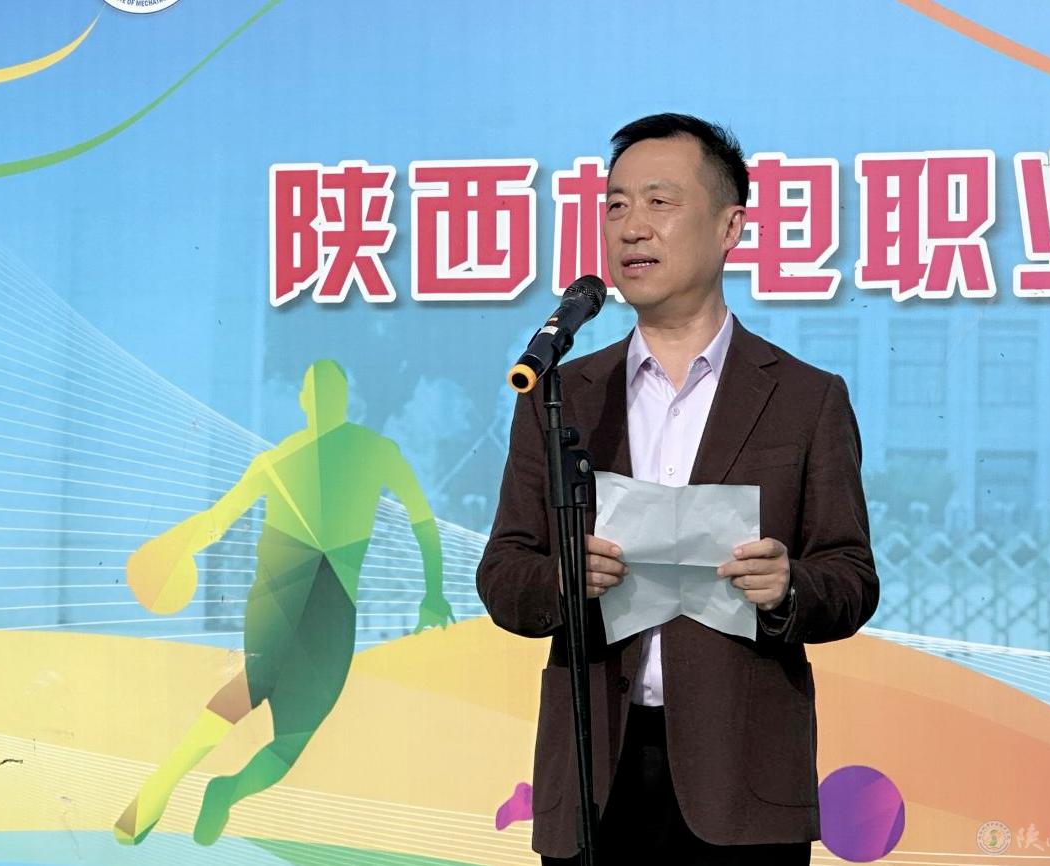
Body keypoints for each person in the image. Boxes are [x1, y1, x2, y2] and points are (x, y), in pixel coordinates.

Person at [476, 113, 879, 864]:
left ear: (730, 227)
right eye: (616, 205)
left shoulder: (805, 398)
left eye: (660, 202)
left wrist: (788, 586)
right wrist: (565, 578)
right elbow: (503, 573)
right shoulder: (562, 394)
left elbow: (852, 577)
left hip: (742, 785)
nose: (632, 227)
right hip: (594, 775)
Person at [114, 359, 454, 847]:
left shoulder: (305, 458)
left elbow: (421, 519)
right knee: (278, 723)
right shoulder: (334, 455)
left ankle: (193, 787)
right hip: (305, 600)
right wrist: (433, 592)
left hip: (311, 603)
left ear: (312, 400)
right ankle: (180, 788)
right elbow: (422, 519)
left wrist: (434, 591)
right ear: (317, 401)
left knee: (269, 713)